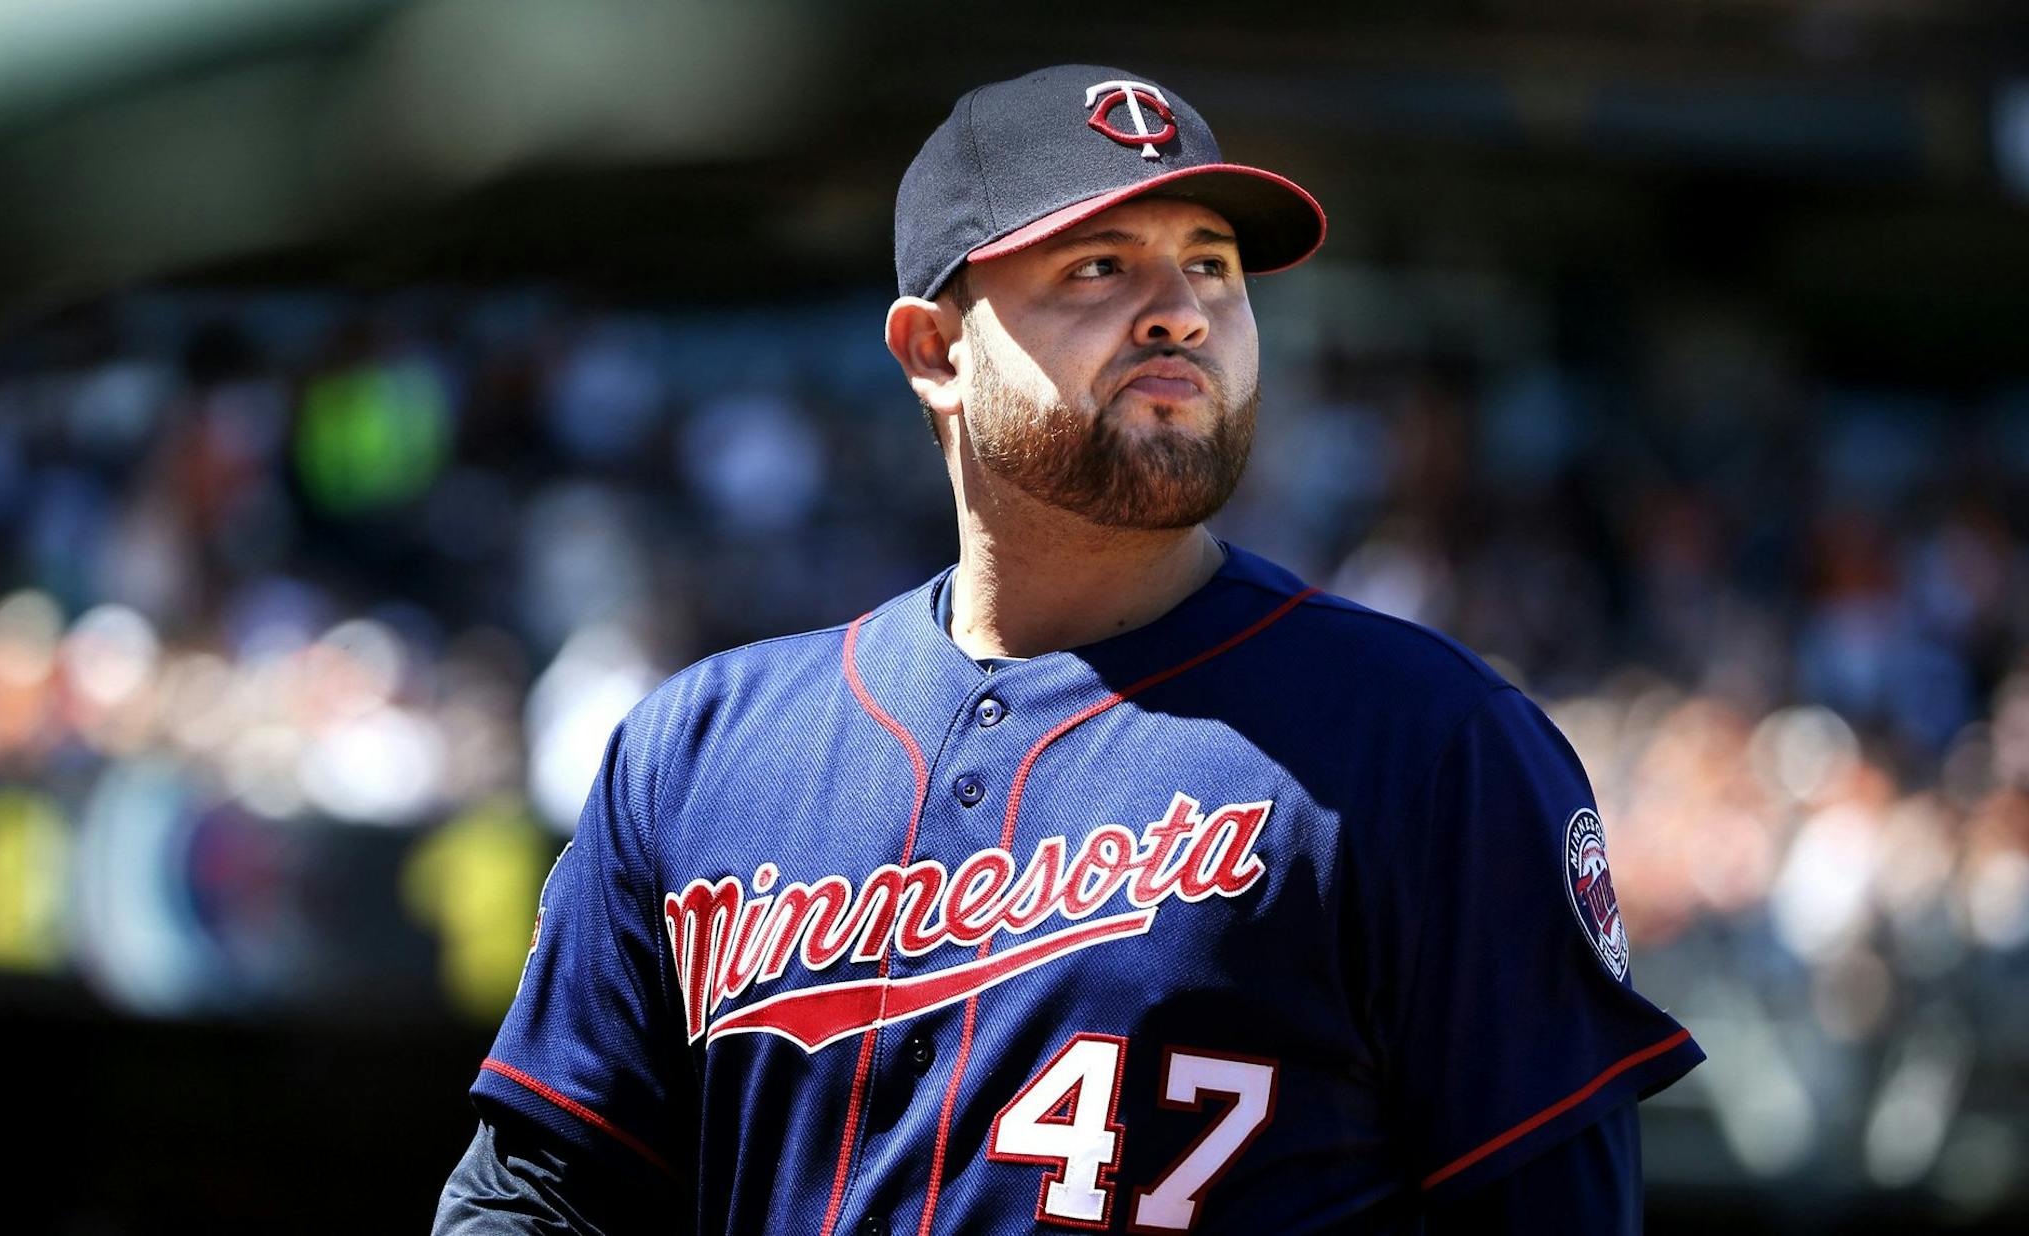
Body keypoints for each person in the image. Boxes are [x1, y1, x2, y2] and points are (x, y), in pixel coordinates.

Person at [434, 64, 1703, 1235]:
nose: (1180, 314)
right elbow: (537, 1192)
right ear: (935, 350)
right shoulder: (702, 751)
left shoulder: (1431, 747)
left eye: (1211, 266)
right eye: (1098, 267)